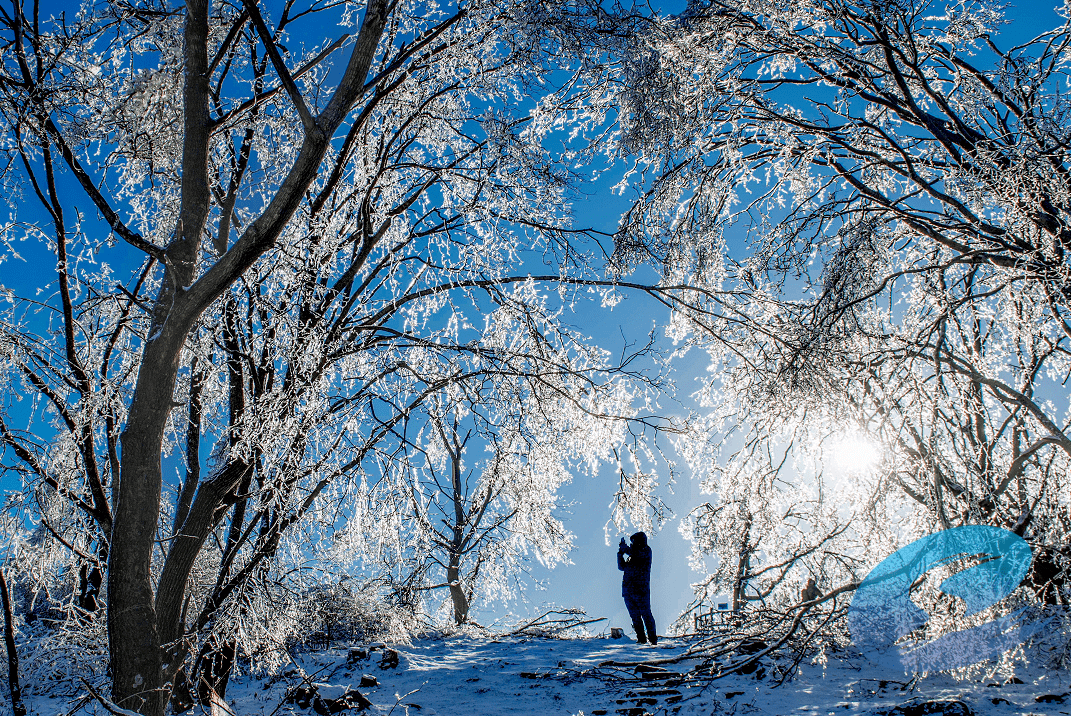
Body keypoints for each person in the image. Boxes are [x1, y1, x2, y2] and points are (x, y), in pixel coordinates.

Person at [618, 532, 657, 644]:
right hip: (628, 590)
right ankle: (641, 639)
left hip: (641, 590)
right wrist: (620, 553)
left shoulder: (645, 551)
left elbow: (635, 553)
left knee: (646, 615)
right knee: (635, 616)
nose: (632, 543)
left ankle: (653, 640)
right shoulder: (632, 556)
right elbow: (621, 567)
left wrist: (625, 549)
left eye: (634, 541)